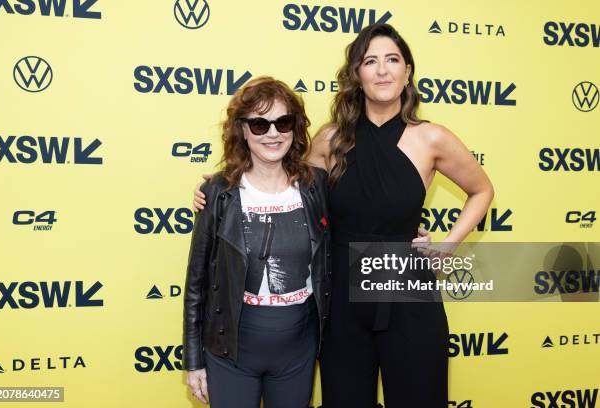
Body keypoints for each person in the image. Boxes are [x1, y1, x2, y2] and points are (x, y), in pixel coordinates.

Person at [194, 24, 494, 407]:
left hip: (409, 298)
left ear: (407, 72)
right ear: (357, 75)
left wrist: (448, 244)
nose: (382, 70)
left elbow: (482, 190)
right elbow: (281, 180)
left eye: (392, 60)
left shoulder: (432, 138)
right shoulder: (331, 139)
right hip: (341, 305)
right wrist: (223, 187)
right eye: (371, 61)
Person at [182, 77, 331, 408]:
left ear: (295, 128)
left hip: (298, 350)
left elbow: (357, 223)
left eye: (283, 121)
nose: (273, 133)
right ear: (243, 130)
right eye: (260, 124)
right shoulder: (218, 194)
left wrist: (408, 240)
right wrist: (193, 362)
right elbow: (197, 284)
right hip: (231, 352)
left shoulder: (316, 186)